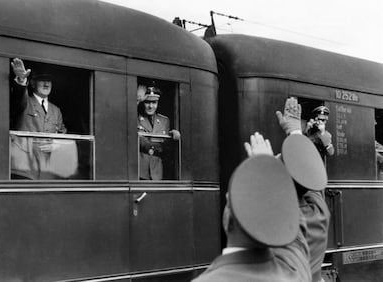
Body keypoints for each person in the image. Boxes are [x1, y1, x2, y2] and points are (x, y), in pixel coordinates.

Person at [192, 131, 311, 282]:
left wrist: (267, 168)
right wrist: (269, 170)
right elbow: (295, 232)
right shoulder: (295, 269)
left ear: (228, 219)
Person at [277, 98, 330, 282]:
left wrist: (298, 134)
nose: (321, 120)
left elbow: (329, 151)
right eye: (319, 117)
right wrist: (298, 133)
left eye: (323, 118)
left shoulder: (276, 222)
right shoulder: (319, 213)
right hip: (312, 173)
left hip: (313, 169)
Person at [10, 58, 76, 179]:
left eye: (49, 81)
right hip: (24, 168)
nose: (46, 84)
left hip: (47, 170)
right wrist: (21, 80)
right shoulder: (25, 102)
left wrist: (56, 145)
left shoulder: (56, 110)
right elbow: (18, 96)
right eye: (42, 80)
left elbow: (63, 136)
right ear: (32, 83)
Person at [137, 86, 180, 180]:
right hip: (140, 172)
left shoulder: (164, 121)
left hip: (157, 172)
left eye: (154, 102)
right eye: (147, 102)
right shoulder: (136, 119)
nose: (151, 106)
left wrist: (173, 137)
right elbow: (141, 142)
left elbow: (166, 147)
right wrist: (158, 147)